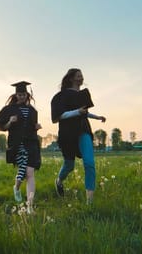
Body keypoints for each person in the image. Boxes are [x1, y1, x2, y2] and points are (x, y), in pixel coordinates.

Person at [51, 68, 106, 204]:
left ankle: (89, 202)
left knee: (89, 163)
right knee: (69, 165)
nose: (81, 78)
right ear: (71, 79)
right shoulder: (60, 96)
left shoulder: (83, 95)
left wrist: (96, 116)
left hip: (83, 130)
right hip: (67, 133)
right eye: (78, 76)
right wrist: (77, 112)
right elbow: (58, 117)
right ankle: (59, 181)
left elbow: (84, 112)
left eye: (82, 76)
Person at [0, 81, 42, 210]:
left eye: (23, 94)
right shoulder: (9, 109)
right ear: (16, 95)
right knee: (25, 171)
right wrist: (10, 122)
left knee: (30, 172)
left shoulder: (32, 111)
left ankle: (30, 206)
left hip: (31, 143)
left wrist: (37, 127)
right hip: (17, 143)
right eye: (19, 94)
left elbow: (33, 127)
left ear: (27, 95)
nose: (21, 96)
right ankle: (16, 188)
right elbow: (0, 125)